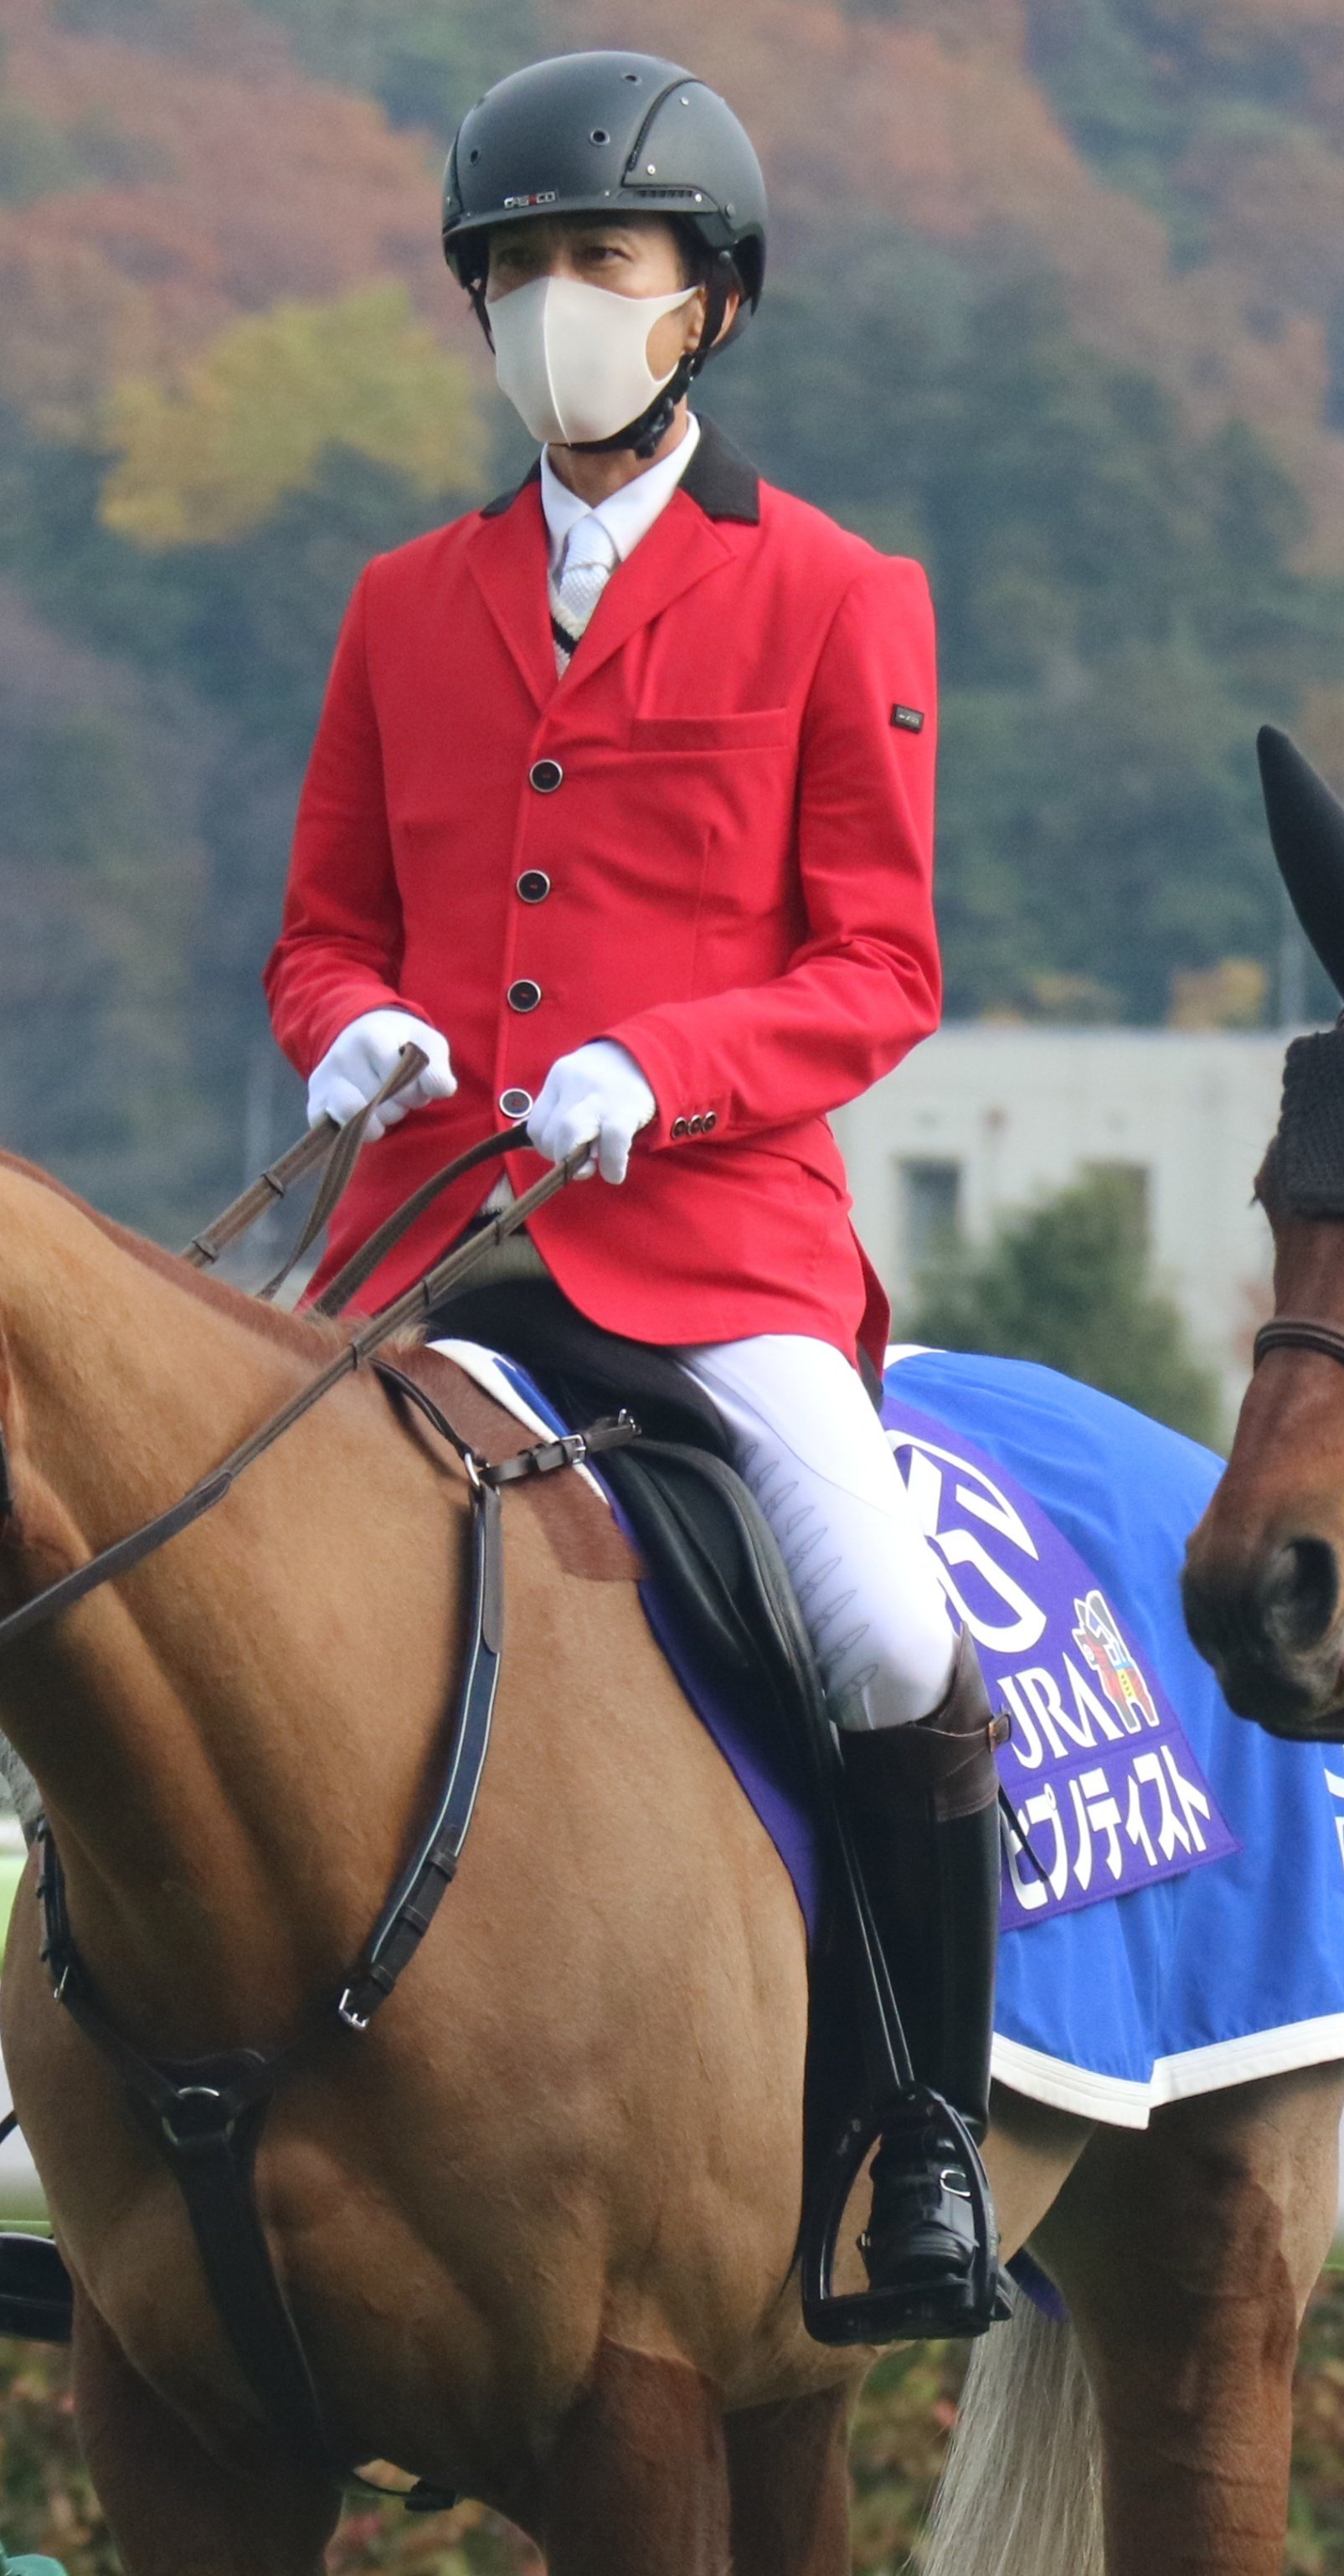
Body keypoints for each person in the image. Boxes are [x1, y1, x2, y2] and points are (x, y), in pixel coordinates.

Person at [265, 49, 999, 2337]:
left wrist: (653, 1071)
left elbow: (880, 970)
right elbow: (320, 925)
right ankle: (129, 2117)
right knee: (170, 1566)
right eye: (516, 270)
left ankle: (923, 2134)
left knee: (884, 1632)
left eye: (601, 262)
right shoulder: (405, 599)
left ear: (705, 305)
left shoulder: (840, 594)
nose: (551, 305)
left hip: (704, 1250)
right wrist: (349, 1032)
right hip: (423, 1243)